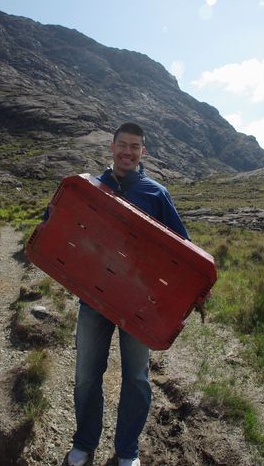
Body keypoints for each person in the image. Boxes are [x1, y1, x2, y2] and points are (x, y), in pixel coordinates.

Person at [68, 122, 190, 466]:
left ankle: (127, 451)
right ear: (111, 146)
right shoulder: (91, 187)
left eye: (135, 146)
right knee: (87, 374)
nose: (128, 152)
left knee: (136, 378)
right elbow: (60, 222)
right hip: (93, 299)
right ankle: (84, 442)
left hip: (139, 305)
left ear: (143, 152)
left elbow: (183, 249)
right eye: (123, 145)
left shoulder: (156, 194)